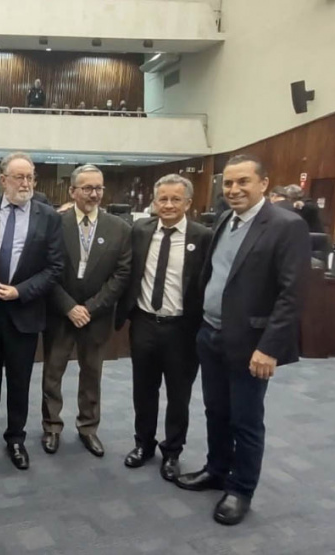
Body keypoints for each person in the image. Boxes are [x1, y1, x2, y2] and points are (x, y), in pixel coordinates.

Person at [175, 154, 310, 525]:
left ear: (263, 183)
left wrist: (269, 347)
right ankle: (216, 470)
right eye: (228, 183)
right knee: (216, 411)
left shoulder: (286, 226)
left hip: (252, 345)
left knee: (246, 420)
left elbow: (292, 295)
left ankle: (240, 489)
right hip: (211, 334)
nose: (233, 190)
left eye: (243, 182)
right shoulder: (224, 220)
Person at [0, 152, 64, 469]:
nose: (25, 183)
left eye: (30, 177)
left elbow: (54, 268)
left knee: (19, 381)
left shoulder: (48, 217)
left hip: (24, 312)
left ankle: (16, 438)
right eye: (19, 177)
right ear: (3, 179)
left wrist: (19, 291)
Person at [114, 175, 213, 482]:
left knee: (178, 395)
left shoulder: (204, 236)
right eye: (162, 200)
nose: (168, 205)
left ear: (188, 203)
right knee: (143, 391)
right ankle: (143, 444)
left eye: (175, 200)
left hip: (182, 330)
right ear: (154, 203)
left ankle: (172, 452)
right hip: (144, 323)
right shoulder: (140, 231)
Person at [41, 164, 132, 458]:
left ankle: (88, 428)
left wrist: (89, 309)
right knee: (52, 374)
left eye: (99, 188)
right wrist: (69, 307)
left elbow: (121, 275)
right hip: (60, 312)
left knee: (92, 374)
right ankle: (51, 426)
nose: (94, 194)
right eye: (87, 188)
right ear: (73, 191)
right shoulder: (55, 223)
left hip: (96, 316)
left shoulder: (119, 228)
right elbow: (46, 270)